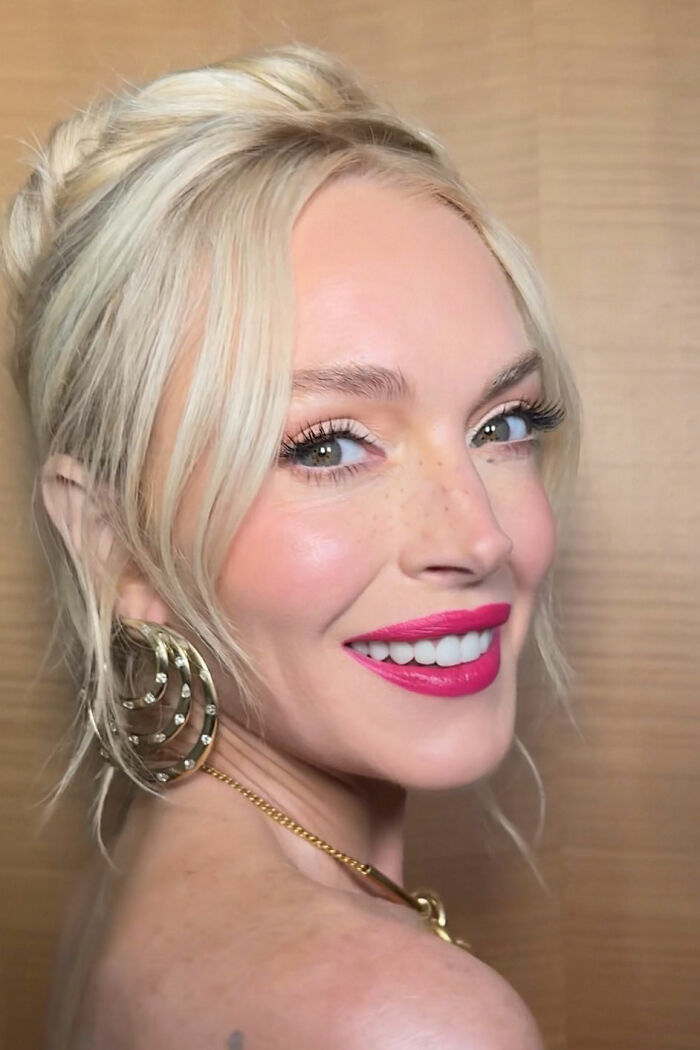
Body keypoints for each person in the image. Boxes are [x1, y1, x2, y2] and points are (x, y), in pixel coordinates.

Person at [1, 42, 580, 1049]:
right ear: (111, 539)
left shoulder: (141, 882)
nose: (481, 536)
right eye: (329, 445)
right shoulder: (401, 1021)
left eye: (504, 424)